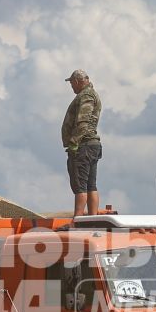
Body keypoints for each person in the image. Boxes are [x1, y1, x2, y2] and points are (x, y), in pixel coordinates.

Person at [61, 69, 102, 216]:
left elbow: (83, 122)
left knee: (80, 187)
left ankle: (78, 221)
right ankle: (92, 219)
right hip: (90, 146)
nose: (71, 86)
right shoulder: (88, 94)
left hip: (83, 146)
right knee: (91, 186)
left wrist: (73, 143)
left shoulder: (86, 95)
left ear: (78, 81)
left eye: (72, 83)